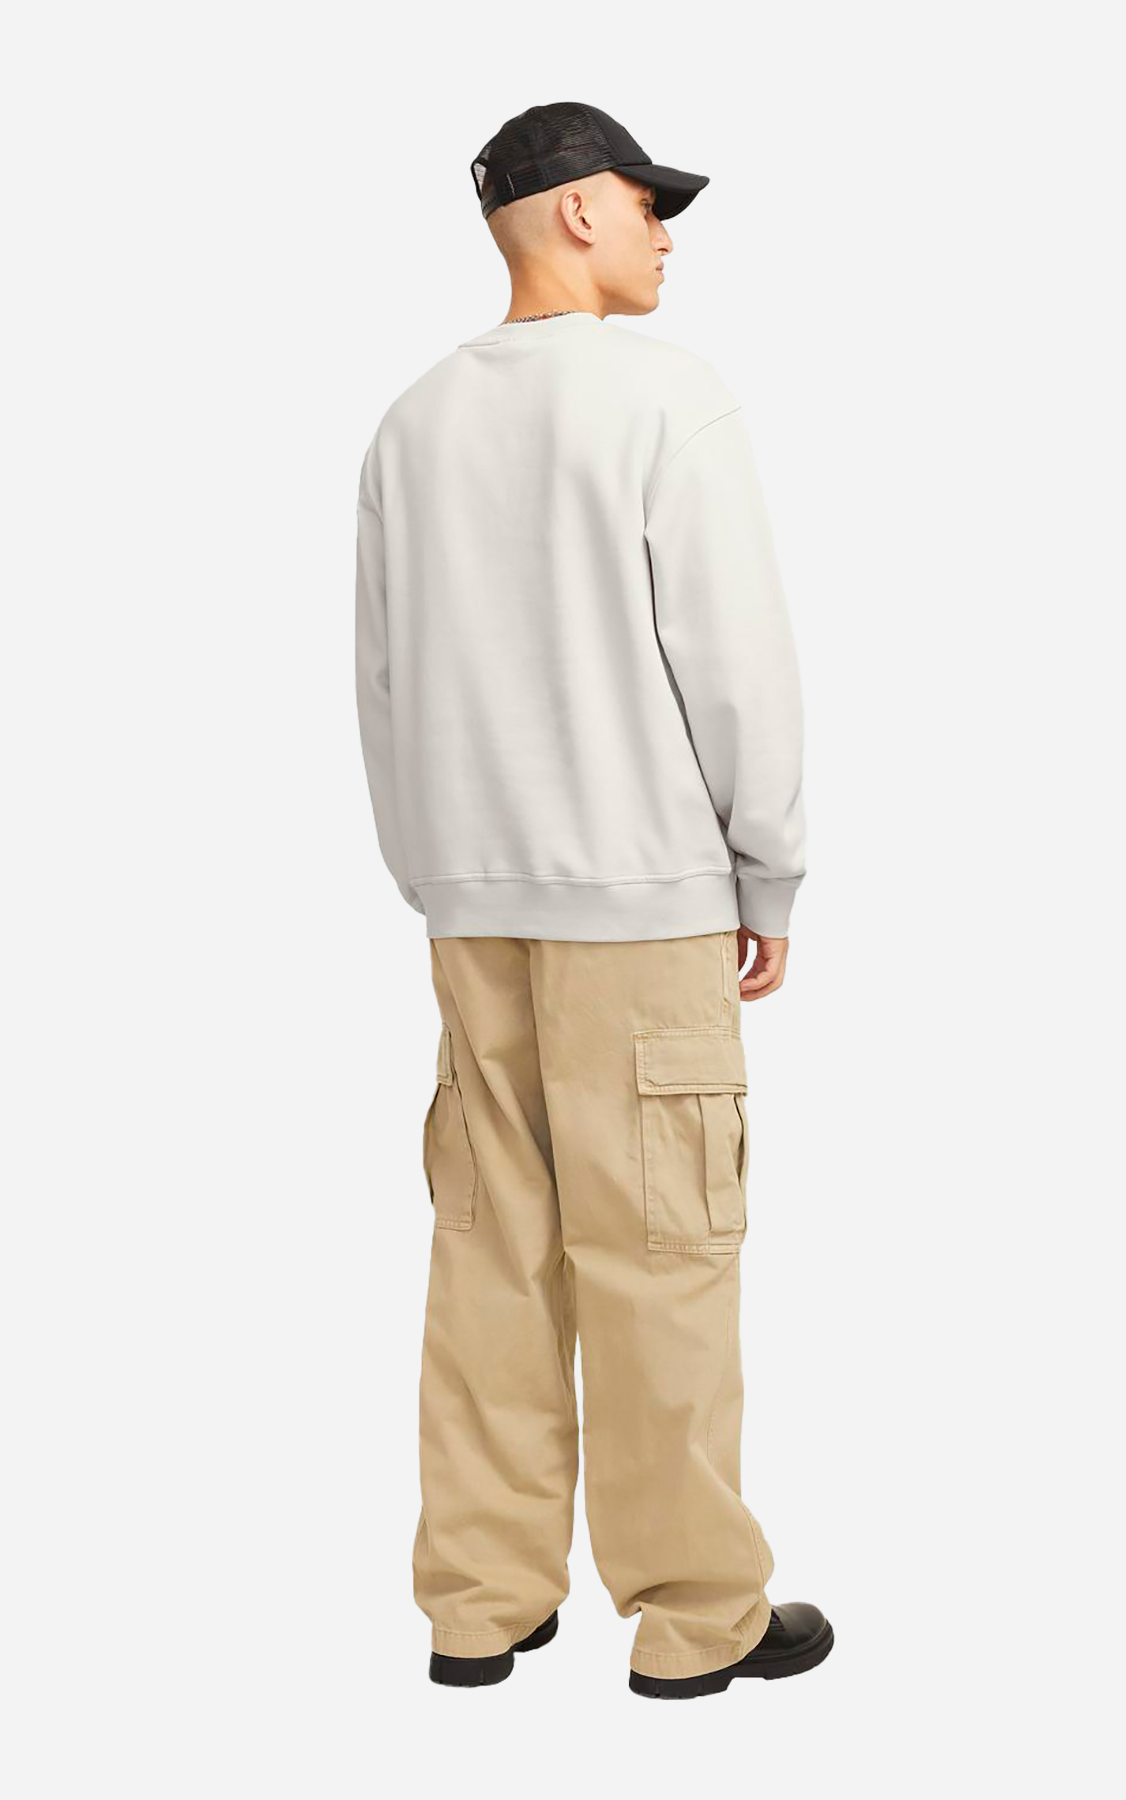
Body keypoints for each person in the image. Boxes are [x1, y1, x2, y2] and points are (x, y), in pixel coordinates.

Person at [354, 100, 829, 1699]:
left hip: (473, 907)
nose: (664, 233)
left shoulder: (413, 423)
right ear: (573, 213)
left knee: (491, 1249)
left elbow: (380, 677)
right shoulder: (664, 397)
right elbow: (737, 660)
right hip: (643, 904)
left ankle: (480, 1602)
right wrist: (768, 868)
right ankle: (696, 1617)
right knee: (661, 1253)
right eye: (644, 203)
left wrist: (434, 871)